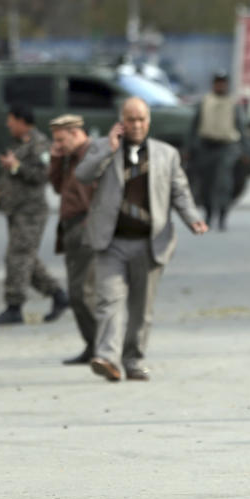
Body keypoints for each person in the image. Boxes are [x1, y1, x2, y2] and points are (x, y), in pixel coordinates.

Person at [75, 97, 207, 382]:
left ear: (148, 122)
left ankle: (133, 360)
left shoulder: (166, 154)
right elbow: (83, 176)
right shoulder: (101, 147)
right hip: (111, 243)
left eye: (141, 119)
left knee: (140, 309)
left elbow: (180, 192)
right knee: (108, 302)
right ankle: (107, 358)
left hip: (150, 243)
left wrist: (192, 218)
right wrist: (108, 151)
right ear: (120, 121)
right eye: (130, 119)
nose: (136, 125)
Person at [0, 104, 69, 326]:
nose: (8, 125)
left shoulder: (39, 144)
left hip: (31, 211)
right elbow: (9, 173)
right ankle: (59, 296)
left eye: (11, 121)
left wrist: (17, 166)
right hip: (15, 209)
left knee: (17, 257)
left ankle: (14, 307)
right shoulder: (18, 144)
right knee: (25, 258)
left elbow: (42, 175)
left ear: (23, 121)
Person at [48, 115, 97, 364]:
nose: (58, 145)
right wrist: (57, 158)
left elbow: (105, 191)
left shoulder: (92, 155)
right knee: (77, 293)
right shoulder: (69, 158)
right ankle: (93, 346)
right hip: (70, 229)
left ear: (76, 133)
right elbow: (57, 187)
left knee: (83, 293)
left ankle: (104, 347)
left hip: (85, 228)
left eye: (61, 140)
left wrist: (94, 223)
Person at [191, 72, 242, 230]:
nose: (220, 86)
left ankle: (222, 216)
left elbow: (240, 127)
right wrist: (190, 147)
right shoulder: (205, 102)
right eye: (217, 83)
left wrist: (245, 150)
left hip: (226, 147)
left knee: (223, 184)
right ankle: (209, 213)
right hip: (207, 147)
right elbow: (194, 127)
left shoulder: (233, 104)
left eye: (223, 83)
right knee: (206, 184)